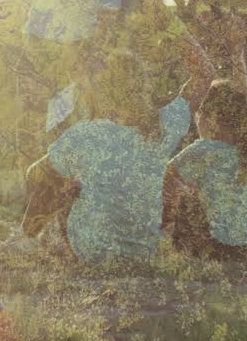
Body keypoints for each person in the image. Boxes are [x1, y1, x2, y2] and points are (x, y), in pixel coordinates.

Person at [22, 50, 191, 263]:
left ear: (106, 91)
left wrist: (68, 184)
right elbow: (201, 82)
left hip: (92, 253)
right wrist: (188, 41)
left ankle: (25, 238)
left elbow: (34, 173)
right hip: (143, 255)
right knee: (164, 179)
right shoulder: (163, 127)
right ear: (144, 84)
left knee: (64, 185)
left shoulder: (87, 134)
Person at [163, 80, 247, 257]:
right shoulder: (244, 152)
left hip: (214, 244)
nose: (196, 120)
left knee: (169, 185)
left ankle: (151, 233)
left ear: (211, 118)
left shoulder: (203, 149)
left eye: (198, 114)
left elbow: (165, 174)